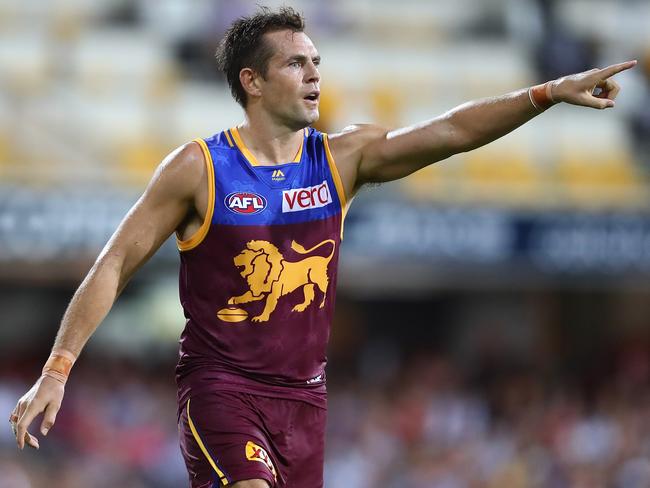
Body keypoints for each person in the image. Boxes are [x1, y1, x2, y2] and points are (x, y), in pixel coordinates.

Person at [9, 6, 636, 488]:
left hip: (306, 401)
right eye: (295, 64)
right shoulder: (199, 168)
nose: (314, 74)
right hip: (221, 387)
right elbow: (115, 262)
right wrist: (58, 370)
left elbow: (450, 131)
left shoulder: (343, 158)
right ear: (251, 81)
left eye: (316, 62)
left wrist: (546, 93)